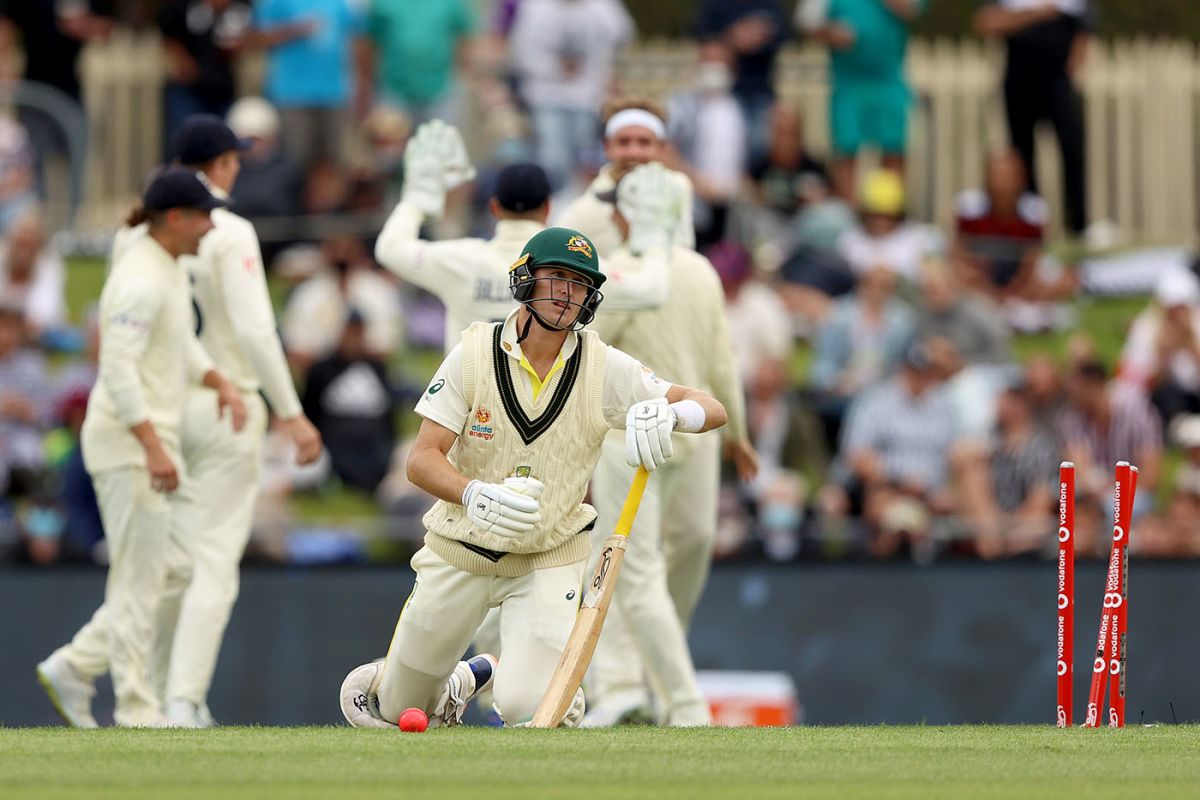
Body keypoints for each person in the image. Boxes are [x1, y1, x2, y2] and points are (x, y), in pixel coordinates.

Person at [337, 226, 728, 729]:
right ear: (525, 277)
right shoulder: (473, 353)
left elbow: (710, 406)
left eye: (580, 283)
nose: (568, 293)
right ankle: (459, 681)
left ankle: (560, 697)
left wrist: (676, 416)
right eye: (557, 276)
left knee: (534, 710)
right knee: (398, 712)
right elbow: (421, 459)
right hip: (460, 548)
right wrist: (472, 493)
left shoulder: (603, 366)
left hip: (547, 557)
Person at [36, 167, 245, 728]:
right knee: (139, 576)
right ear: (175, 219)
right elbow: (118, 367)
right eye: (203, 216)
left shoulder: (170, 266)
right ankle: (135, 707)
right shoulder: (141, 279)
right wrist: (152, 446)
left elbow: (178, 345)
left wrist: (218, 380)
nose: (210, 227)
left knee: (174, 568)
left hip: (151, 441)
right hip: (129, 444)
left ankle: (75, 666)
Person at [583, 167, 756, 727]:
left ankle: (662, 686)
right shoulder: (667, 273)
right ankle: (653, 692)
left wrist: (739, 434)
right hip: (661, 433)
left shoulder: (654, 273)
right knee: (649, 568)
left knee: (661, 562)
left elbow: (717, 358)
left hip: (664, 435)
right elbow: (717, 362)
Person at [374, 121, 678, 350]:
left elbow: (390, 248)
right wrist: (652, 237)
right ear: (548, 208)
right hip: (539, 419)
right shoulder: (575, 272)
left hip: (469, 416)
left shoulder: (459, 260)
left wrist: (417, 199)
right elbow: (652, 291)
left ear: (494, 207)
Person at [974, 0, 1092, 236]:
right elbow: (987, 23)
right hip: (1019, 76)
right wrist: (1036, 14)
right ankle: (1030, 223)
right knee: (1023, 151)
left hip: (1057, 78)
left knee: (1071, 148)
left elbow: (1085, 29)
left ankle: (1079, 226)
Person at [799, 0, 924, 200]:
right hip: (847, 83)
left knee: (893, 150)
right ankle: (850, 218)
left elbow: (911, 9)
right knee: (846, 152)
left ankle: (888, 213)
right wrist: (830, 33)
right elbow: (807, 21)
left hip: (889, 80)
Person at [508, 0, 635, 191]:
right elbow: (521, 52)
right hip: (546, 97)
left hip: (588, 98)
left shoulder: (604, 8)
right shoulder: (535, 7)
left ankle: (575, 204)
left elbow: (624, 38)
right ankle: (554, 203)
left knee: (583, 158)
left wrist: (609, 76)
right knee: (553, 157)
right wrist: (554, 68)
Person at [556, 99, 694, 257]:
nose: (633, 152)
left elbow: (683, 250)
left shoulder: (678, 186)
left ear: (661, 147)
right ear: (607, 147)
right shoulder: (585, 207)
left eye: (644, 142)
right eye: (623, 142)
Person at [250, 0, 364, 175]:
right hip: (292, 96)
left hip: (334, 95)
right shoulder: (274, 3)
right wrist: (296, 29)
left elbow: (357, 38)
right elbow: (257, 37)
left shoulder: (340, 3)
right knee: (296, 164)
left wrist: (360, 88)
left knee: (334, 165)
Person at [1117, 268, 1200, 429]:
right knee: (1167, 392)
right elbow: (1137, 382)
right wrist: (1163, 355)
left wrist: (1191, 347)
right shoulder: (1146, 328)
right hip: (1162, 400)